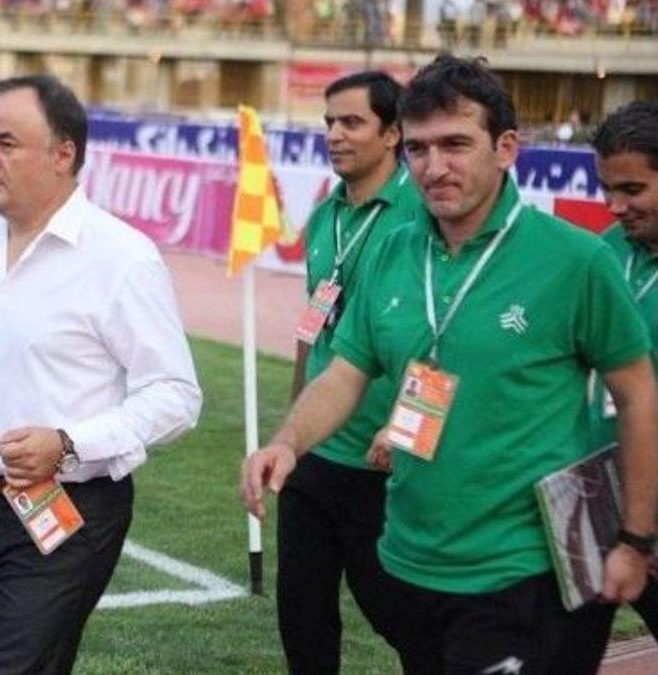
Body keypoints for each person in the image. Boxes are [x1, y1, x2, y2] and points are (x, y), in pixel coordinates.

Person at [241, 54, 658, 672]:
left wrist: (634, 538)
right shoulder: (393, 252)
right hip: (411, 562)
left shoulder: (574, 260)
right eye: (419, 148)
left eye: (456, 144)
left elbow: (638, 395)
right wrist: (288, 441)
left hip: (525, 572)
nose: (435, 167)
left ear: (506, 147)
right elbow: (347, 371)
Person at [0, 74, 202, 674]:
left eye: (6, 144)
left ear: (63, 154)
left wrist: (69, 442)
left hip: (73, 508)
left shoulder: (120, 258)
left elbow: (175, 394)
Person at [280, 70, 419, 674]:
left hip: (384, 462)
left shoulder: (422, 216)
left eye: (352, 122)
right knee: (301, 612)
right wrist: (292, 431)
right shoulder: (325, 217)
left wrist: (405, 428)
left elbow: (443, 343)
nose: (335, 134)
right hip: (317, 452)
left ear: (392, 133)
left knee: (400, 615)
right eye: (329, 122)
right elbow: (312, 326)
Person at [561, 99, 658, 669]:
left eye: (633, 189)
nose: (615, 206)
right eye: (607, 189)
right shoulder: (605, 252)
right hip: (592, 503)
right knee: (564, 653)